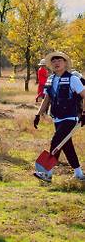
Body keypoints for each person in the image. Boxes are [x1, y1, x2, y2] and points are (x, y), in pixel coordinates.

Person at [33, 52, 85, 183]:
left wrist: (84, 113)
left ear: (65, 63)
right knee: (67, 146)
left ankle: (48, 174)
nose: (56, 63)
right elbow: (47, 98)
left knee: (56, 142)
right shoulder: (51, 79)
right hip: (56, 118)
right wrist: (38, 115)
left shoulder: (73, 79)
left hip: (70, 118)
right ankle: (79, 174)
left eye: (59, 60)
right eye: (54, 60)